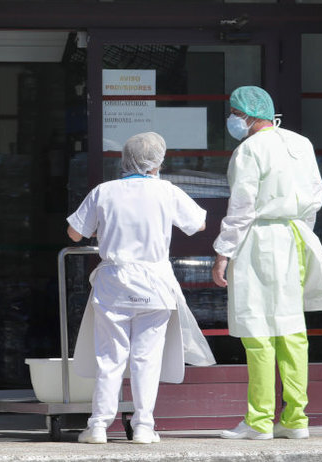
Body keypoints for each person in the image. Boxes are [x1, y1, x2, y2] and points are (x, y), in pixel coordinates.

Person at [211, 85, 322, 440]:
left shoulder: (248, 150)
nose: (233, 120)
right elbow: (316, 197)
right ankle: (297, 419)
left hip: (259, 240)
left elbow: (241, 208)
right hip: (296, 237)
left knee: (258, 330)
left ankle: (259, 421)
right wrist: (302, 234)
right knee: (292, 330)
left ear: (247, 116)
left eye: (235, 113)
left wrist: (223, 253)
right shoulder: (301, 144)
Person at [66, 132, 215, 444]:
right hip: (155, 284)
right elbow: (198, 224)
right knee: (146, 359)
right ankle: (144, 426)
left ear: (125, 159)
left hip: (114, 284)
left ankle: (98, 426)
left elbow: (74, 233)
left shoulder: (104, 191)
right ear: (157, 162)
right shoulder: (166, 191)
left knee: (110, 358)